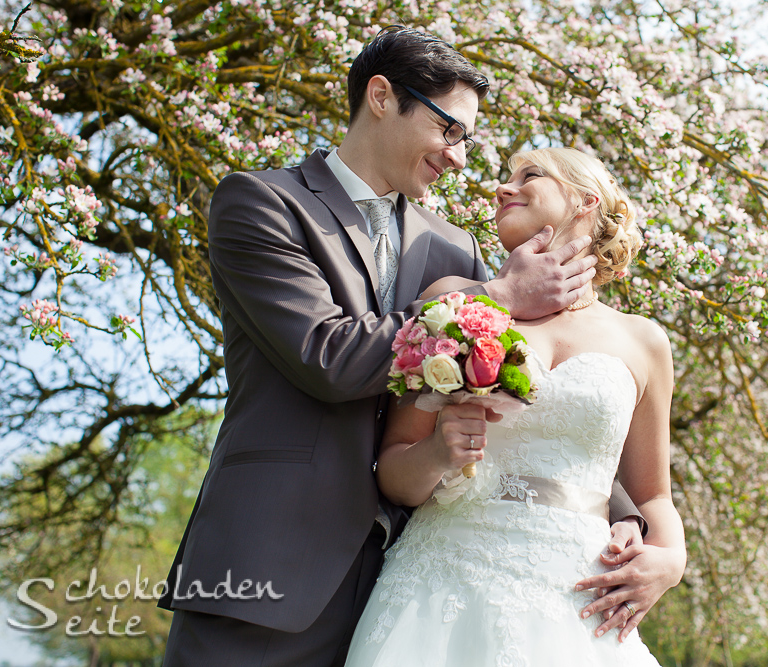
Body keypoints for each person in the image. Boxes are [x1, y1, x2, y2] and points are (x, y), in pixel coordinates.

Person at [158, 29, 654, 666]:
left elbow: (518, 390)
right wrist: (496, 297)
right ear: (383, 96)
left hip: (411, 579)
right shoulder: (262, 204)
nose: (458, 158)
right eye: (450, 130)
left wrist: (620, 515)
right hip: (271, 556)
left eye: (466, 141)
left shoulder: (454, 252)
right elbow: (324, 356)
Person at [344, 147, 687, 666]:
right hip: (440, 587)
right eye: (504, 179)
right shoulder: (457, 301)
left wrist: (670, 559)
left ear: (584, 201)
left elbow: (652, 495)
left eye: (529, 175)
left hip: (578, 597)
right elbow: (393, 471)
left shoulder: (643, 342)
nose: (503, 188)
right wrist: (439, 452)